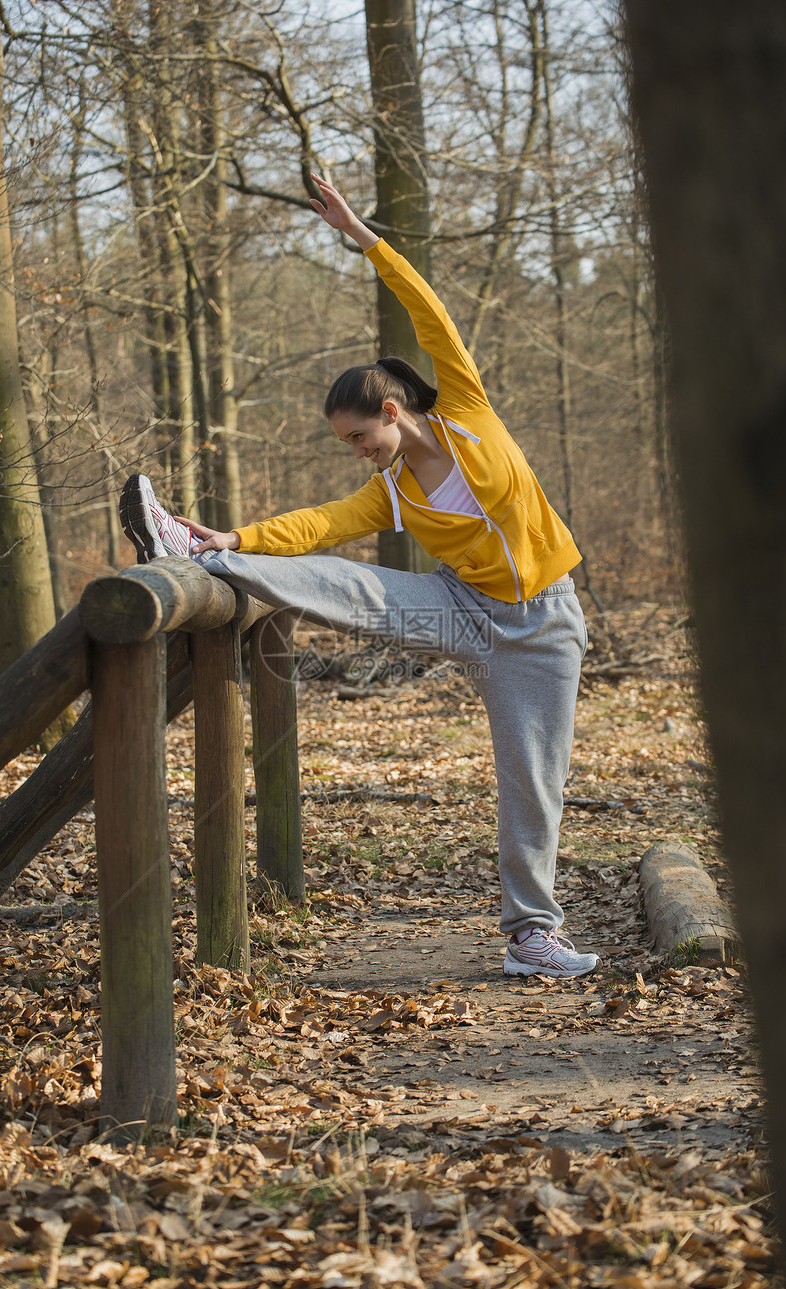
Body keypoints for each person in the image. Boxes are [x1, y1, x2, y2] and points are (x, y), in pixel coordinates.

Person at [119, 174, 600, 980]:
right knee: (344, 579)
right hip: (464, 611)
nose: (357, 453)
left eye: (357, 437)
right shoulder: (394, 493)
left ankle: (530, 936)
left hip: (545, 626)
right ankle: (193, 551)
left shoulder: (469, 417)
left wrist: (361, 235)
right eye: (347, 445)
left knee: (533, 781)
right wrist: (234, 536)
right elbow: (320, 525)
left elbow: (430, 311)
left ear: (390, 409)